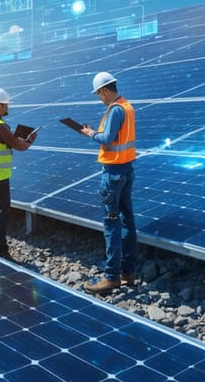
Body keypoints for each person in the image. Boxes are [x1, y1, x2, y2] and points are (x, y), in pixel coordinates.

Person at [78, 72, 137, 294]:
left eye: (98, 94)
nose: (99, 98)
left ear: (104, 90)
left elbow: (108, 138)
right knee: (128, 221)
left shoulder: (115, 110)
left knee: (111, 223)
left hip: (113, 174)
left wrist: (90, 133)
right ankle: (128, 272)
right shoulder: (128, 107)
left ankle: (111, 277)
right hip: (127, 170)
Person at [0, 87, 36, 261]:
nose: (7, 107)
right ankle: (0, 250)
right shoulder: (0, 127)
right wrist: (30, 140)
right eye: (4, 104)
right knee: (0, 212)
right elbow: (19, 146)